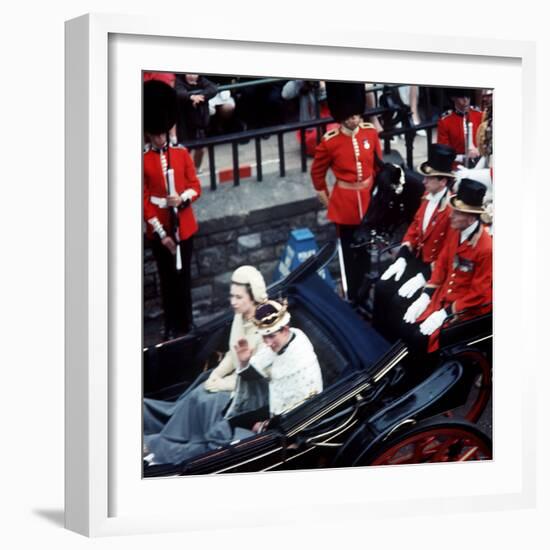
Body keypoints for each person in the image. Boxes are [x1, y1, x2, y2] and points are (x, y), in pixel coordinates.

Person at [143, 266, 269, 465]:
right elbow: (232, 353)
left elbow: (255, 374)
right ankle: (164, 431)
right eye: (232, 296)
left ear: (253, 296)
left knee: (203, 399)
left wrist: (221, 384)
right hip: (231, 379)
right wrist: (217, 373)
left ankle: (164, 444)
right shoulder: (239, 316)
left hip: (249, 391)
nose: (232, 302)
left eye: (238, 297)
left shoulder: (265, 329)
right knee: (196, 392)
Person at [373, 144, 456, 341]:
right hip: (415, 259)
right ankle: (375, 337)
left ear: (443, 181)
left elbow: (447, 254)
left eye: (429, 178)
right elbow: (414, 229)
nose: (424, 181)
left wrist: (423, 276)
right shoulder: (427, 198)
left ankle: (393, 347)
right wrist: (402, 257)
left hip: (433, 271)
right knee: (382, 287)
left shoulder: (451, 211)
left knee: (398, 301)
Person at [400, 178, 493, 353]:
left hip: (464, 311)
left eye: (457, 213)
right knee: (405, 324)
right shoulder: (456, 231)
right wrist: (426, 295)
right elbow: (442, 264)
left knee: (419, 338)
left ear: (471, 217)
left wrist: (446, 313)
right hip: (441, 299)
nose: (451, 215)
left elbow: (478, 293)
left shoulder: (486, 248)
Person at [310, 81, 382, 302]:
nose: (355, 119)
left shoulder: (370, 134)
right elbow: (317, 175)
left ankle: (366, 290)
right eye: (350, 116)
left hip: (368, 201)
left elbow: (378, 167)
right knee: (350, 254)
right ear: (341, 116)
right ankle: (353, 293)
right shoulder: (330, 142)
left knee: (368, 250)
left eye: (357, 115)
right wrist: (327, 199)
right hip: (345, 205)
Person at [143, 80, 201, 339]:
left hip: (184, 226)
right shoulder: (143, 161)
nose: (160, 138)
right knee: (167, 281)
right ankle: (170, 327)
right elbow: (143, 200)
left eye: (162, 133)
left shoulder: (181, 153)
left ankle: (187, 323)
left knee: (184, 279)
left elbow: (195, 186)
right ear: (148, 134)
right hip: (160, 231)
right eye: (155, 134)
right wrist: (161, 233)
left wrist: (183, 199)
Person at [234, 299, 324, 432]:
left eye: (271, 336)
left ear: (285, 329)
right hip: (275, 410)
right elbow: (252, 374)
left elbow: (300, 415)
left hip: (296, 427)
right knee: (234, 422)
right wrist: (244, 361)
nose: (267, 343)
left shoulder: (301, 358)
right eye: (264, 336)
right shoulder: (285, 340)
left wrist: (263, 427)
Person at [175, 74, 218, 172]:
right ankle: (185, 171)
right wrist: (191, 97)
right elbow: (178, 92)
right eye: (189, 74)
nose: (192, 76)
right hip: (184, 123)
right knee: (184, 150)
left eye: (194, 74)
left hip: (199, 121)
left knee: (201, 148)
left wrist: (200, 96)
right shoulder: (179, 81)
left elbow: (213, 88)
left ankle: (196, 169)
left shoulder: (202, 80)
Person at [437, 88, 483, 168]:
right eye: (461, 97)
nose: (465, 101)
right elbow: (444, 152)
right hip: (457, 167)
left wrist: (479, 151)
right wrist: (464, 158)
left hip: (480, 163)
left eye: (468, 97)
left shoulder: (479, 115)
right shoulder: (445, 121)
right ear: (453, 97)